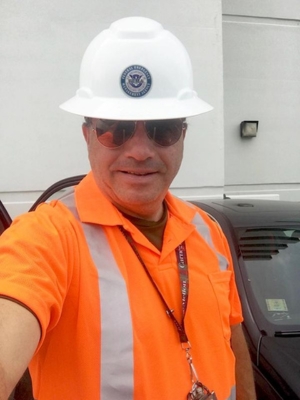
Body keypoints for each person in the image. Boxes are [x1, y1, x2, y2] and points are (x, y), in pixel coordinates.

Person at [0, 16, 256, 400]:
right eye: (115, 129)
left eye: (162, 128)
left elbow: (233, 347)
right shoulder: (47, 237)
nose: (139, 151)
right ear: (88, 135)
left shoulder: (208, 231)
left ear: (182, 136)